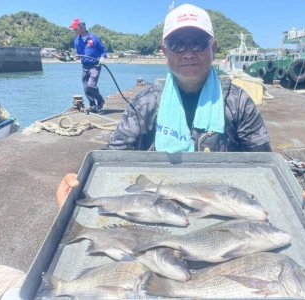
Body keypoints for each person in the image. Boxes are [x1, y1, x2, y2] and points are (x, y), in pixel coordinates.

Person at [57, 4, 272, 206]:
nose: (188, 52)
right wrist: (77, 185)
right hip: (161, 207)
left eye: (197, 43)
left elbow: (265, 168)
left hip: (225, 209)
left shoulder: (238, 103)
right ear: (165, 52)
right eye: (177, 45)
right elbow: (111, 160)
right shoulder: (145, 104)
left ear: (213, 48)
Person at [69, 18, 107, 113]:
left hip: (95, 65)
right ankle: (93, 105)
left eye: (75, 29)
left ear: (82, 27)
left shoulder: (94, 38)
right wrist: (75, 57)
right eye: (73, 29)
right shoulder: (76, 41)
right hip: (85, 66)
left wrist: (102, 58)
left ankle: (100, 100)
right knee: (86, 88)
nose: (74, 31)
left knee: (91, 85)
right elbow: (78, 54)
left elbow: (103, 50)